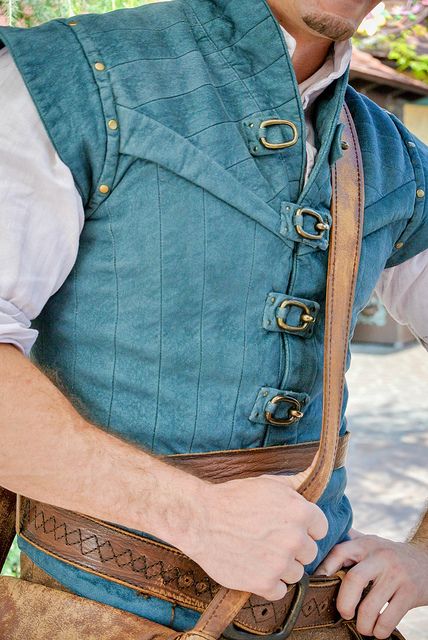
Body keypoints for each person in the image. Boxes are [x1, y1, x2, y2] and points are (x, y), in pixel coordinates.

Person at [0, 0, 427, 638]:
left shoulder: (395, 161)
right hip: (87, 613)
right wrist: (190, 514)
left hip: (327, 620)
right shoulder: (70, 78)